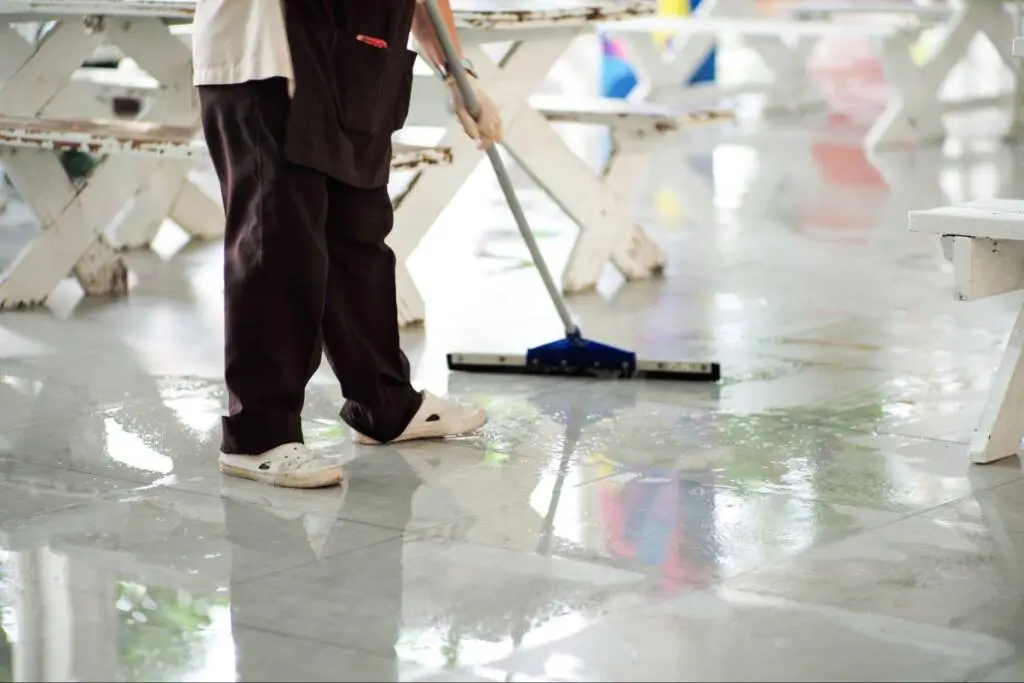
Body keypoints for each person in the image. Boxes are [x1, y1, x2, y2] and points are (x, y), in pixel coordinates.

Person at [192, 0, 502, 489]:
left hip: (354, 63)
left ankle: (384, 404)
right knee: (280, 243)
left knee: (358, 236)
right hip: (267, 58)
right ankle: (258, 434)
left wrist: (454, 71)